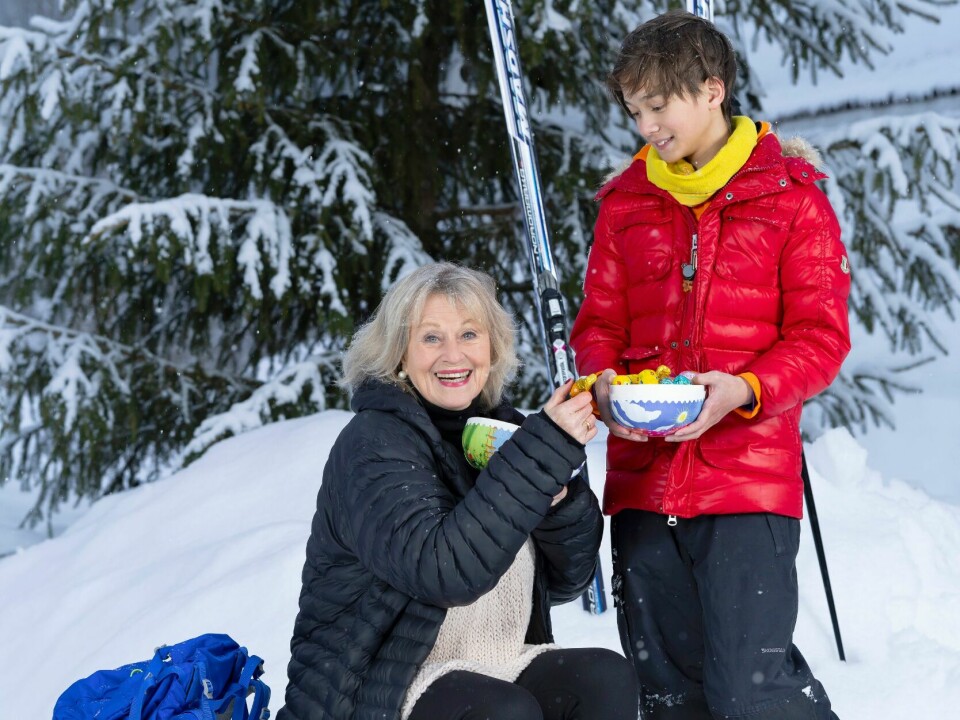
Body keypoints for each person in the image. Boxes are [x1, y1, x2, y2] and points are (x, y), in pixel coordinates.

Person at [569, 10, 852, 720]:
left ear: (712, 89)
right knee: (667, 696)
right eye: (634, 111)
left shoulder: (792, 200)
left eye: (657, 106)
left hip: (747, 486)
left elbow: (821, 339)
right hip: (643, 485)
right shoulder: (626, 204)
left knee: (751, 695)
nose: (645, 127)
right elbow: (598, 326)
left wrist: (746, 389)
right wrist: (603, 387)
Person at [277, 262, 638, 720]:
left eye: (469, 334)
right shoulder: (374, 443)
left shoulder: (504, 431)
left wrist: (557, 500)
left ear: (492, 347)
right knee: (502, 712)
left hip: (497, 660)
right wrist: (538, 459)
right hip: (380, 684)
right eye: (431, 338)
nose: (454, 355)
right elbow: (443, 572)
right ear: (399, 353)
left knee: (605, 678)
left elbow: (569, 579)